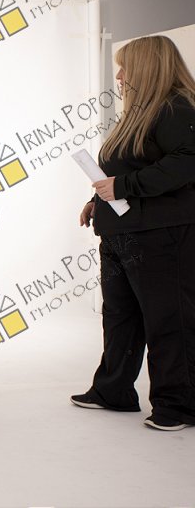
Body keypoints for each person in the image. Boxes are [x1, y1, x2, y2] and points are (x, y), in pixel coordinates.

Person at [73, 35, 195, 431]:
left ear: (147, 68)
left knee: (168, 318)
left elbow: (186, 163)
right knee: (120, 315)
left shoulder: (177, 108)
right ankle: (114, 390)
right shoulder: (141, 114)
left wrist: (123, 188)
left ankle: (179, 406)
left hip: (160, 235)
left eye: (125, 68)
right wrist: (98, 200)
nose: (120, 77)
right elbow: (124, 171)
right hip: (122, 232)